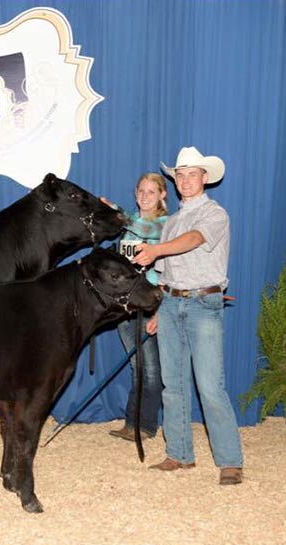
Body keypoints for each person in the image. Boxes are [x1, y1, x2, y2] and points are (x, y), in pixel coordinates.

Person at [132, 146, 244, 486]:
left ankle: (230, 461)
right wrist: (156, 310)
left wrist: (155, 249)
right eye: (179, 175)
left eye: (191, 174)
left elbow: (194, 241)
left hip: (203, 304)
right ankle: (179, 454)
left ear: (205, 178)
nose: (184, 180)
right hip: (171, 302)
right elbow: (164, 274)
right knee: (173, 384)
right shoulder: (173, 222)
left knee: (210, 386)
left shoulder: (214, 214)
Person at [107, 173, 168, 442]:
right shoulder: (128, 228)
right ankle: (132, 424)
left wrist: (117, 213)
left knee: (151, 369)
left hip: (149, 303)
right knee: (136, 366)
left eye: (151, 192)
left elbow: (146, 231)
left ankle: (146, 425)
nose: (144, 196)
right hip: (127, 306)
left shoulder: (165, 225)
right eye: (141, 191)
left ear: (162, 196)